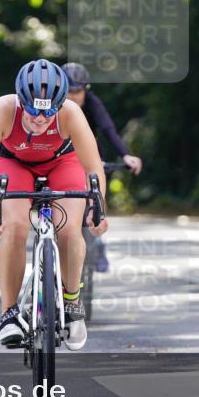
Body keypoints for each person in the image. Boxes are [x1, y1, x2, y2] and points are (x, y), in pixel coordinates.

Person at [0, 58, 107, 350]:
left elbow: (93, 166)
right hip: (13, 163)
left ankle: (71, 302)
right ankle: (8, 313)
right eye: (32, 110)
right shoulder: (2, 109)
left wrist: (98, 207)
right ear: (21, 100)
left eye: (48, 113)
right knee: (16, 226)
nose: (40, 119)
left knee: (70, 229)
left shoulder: (70, 113)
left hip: (62, 162)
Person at [63, 62, 141, 271]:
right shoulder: (53, 106)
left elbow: (108, 129)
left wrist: (125, 155)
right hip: (59, 157)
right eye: (68, 92)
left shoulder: (92, 103)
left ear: (85, 90)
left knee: (95, 185)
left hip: (88, 154)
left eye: (77, 91)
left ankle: (97, 243)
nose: (72, 97)